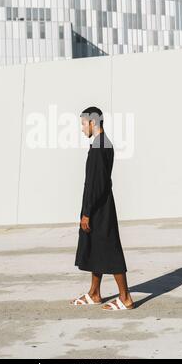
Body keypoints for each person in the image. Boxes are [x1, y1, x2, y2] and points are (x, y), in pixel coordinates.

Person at [71, 106, 135, 311]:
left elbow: (96, 184)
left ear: (93, 122)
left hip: (100, 208)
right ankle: (94, 293)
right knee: (95, 246)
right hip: (101, 204)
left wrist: (87, 212)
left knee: (110, 249)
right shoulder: (102, 144)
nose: (82, 128)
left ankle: (125, 297)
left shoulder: (99, 147)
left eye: (83, 123)